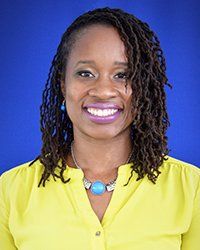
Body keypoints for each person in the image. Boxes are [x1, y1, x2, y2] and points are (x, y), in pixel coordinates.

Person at [0, 7, 199, 250]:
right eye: (86, 73)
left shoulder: (190, 189)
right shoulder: (10, 191)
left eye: (122, 75)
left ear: (143, 87)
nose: (103, 91)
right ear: (63, 85)